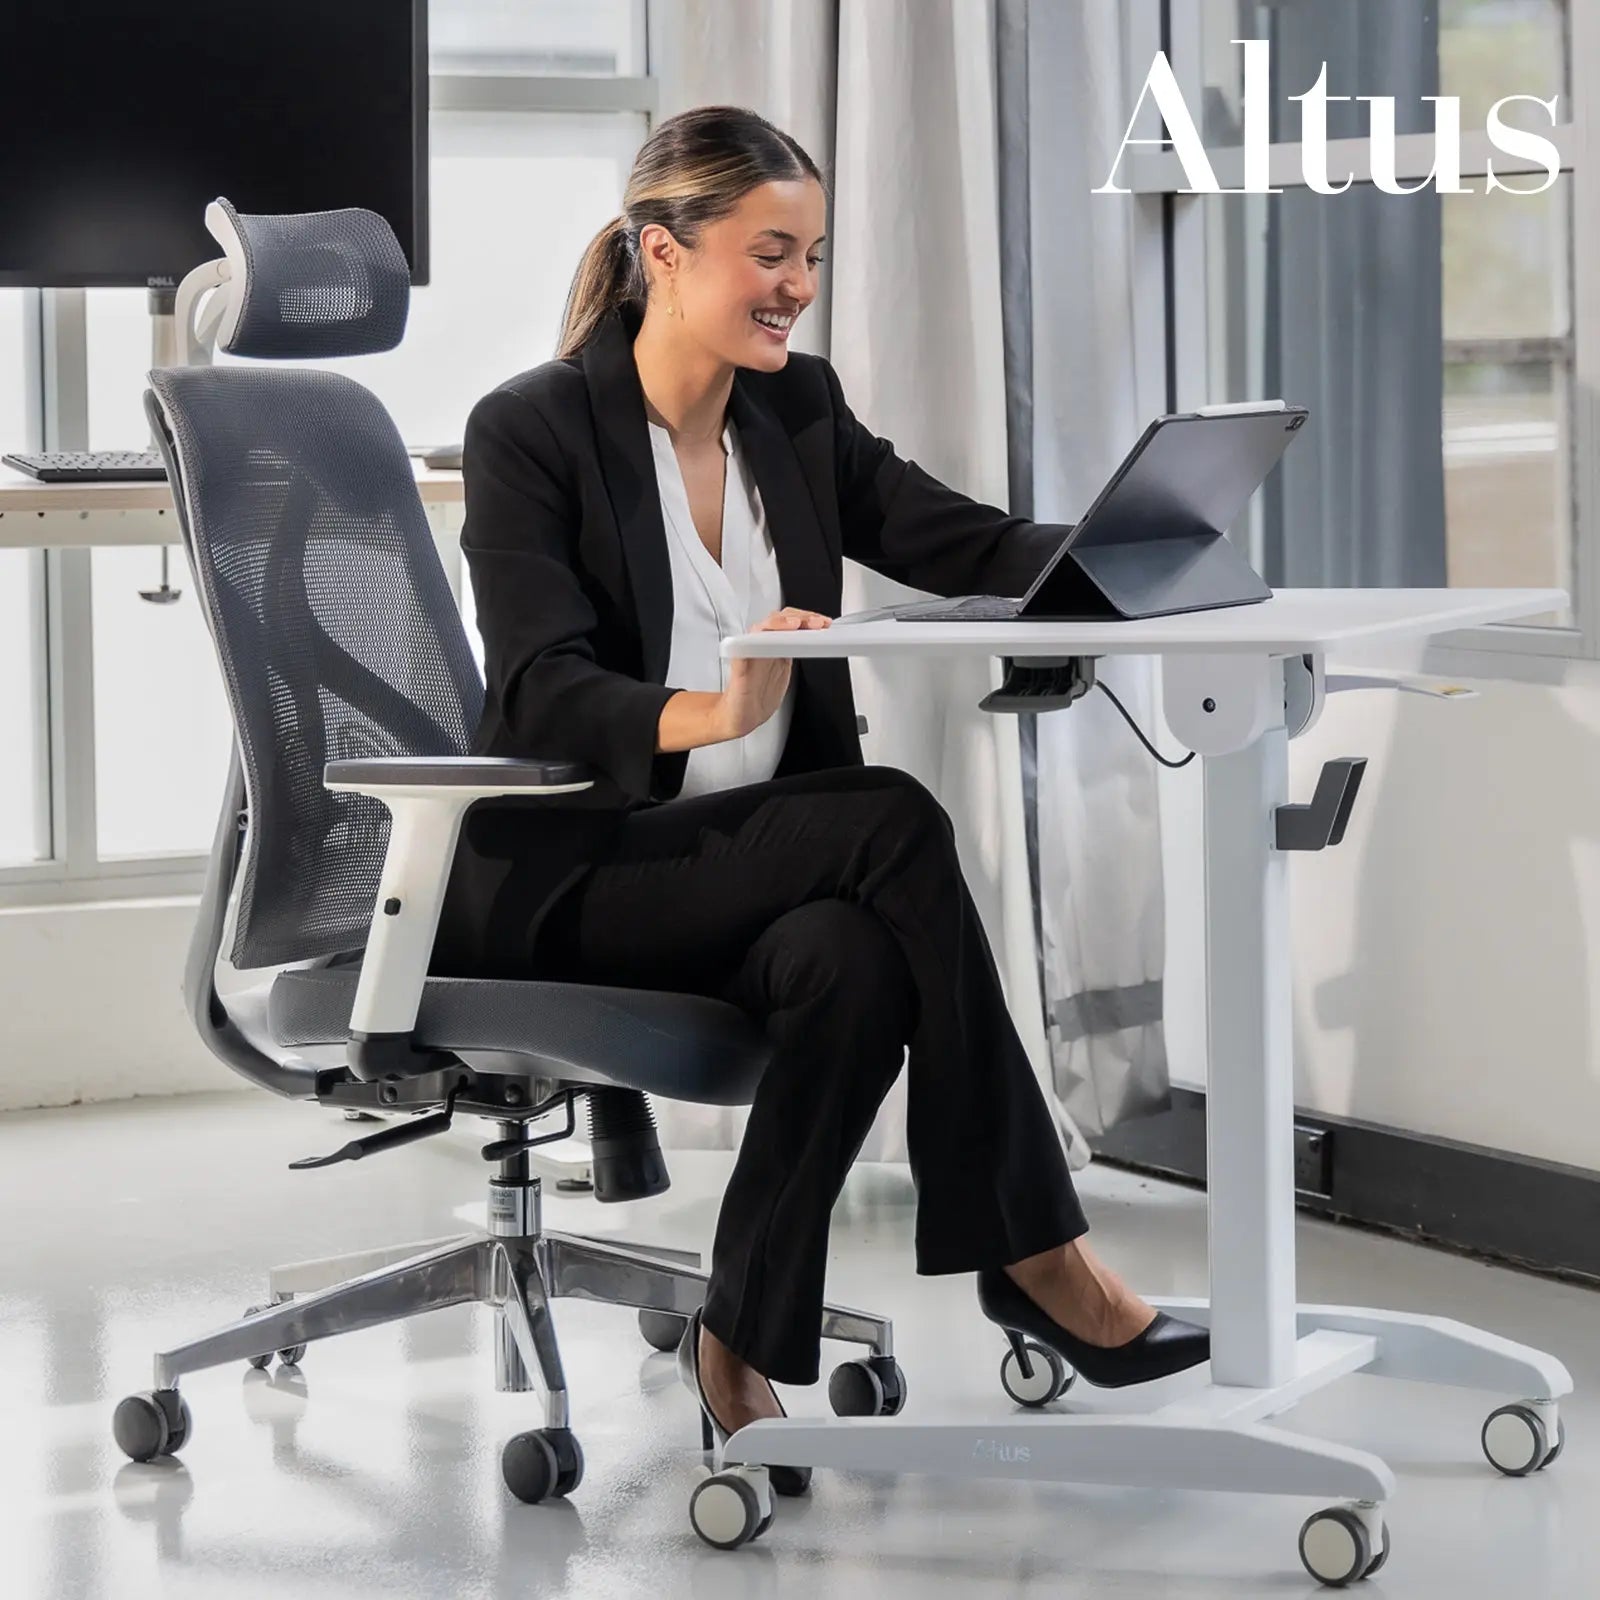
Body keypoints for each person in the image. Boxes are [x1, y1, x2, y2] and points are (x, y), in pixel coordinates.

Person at [432, 104, 1208, 1494]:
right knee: (890, 815)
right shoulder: (531, 431)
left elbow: (955, 538)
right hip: (577, 879)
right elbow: (540, 691)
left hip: (750, 877)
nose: (795, 283)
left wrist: (1141, 550)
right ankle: (1037, 1251)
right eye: (769, 251)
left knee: (851, 961)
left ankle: (738, 1340)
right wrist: (713, 711)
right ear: (662, 252)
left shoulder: (795, 408)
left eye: (813, 255)